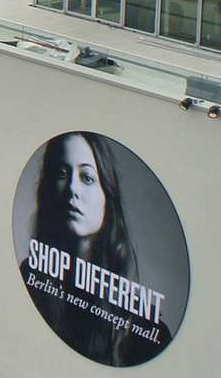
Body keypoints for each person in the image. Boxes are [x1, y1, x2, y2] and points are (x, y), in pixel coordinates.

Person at [21, 132, 172, 366]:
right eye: (61, 173)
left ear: (107, 197)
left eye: (87, 177)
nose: (72, 188)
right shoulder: (28, 276)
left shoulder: (145, 329)